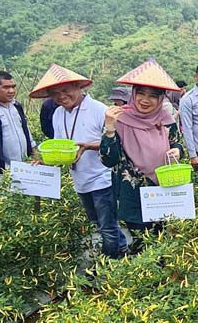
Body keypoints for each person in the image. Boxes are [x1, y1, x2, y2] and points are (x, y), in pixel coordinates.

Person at [30, 64, 127, 259]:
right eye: (55, 93)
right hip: (80, 180)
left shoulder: (99, 109)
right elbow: (61, 147)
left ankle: (111, 267)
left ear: (78, 87)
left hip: (102, 178)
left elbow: (117, 144)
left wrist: (88, 146)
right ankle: (122, 247)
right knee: (97, 223)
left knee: (107, 227)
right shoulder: (58, 114)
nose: (61, 96)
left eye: (66, 90)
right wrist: (46, 163)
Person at [100, 60, 184, 250]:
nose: (145, 100)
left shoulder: (166, 119)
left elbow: (177, 143)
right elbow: (108, 160)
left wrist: (178, 150)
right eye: (141, 93)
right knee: (141, 242)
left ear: (161, 98)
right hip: (133, 194)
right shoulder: (119, 119)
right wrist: (110, 130)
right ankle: (144, 278)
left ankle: (162, 277)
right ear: (133, 94)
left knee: (163, 240)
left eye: (153, 96)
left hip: (163, 188)